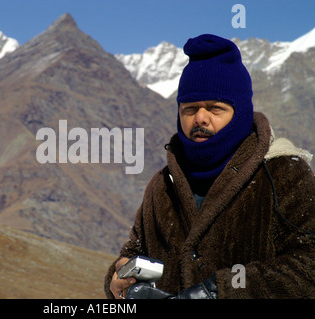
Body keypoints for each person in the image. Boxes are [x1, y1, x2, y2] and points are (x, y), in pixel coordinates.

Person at [104, 34, 314, 299]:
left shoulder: (283, 173)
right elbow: (133, 254)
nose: (200, 118)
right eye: (190, 109)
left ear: (239, 114)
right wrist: (117, 278)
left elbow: (309, 265)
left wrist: (220, 291)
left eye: (214, 108)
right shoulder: (162, 186)